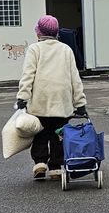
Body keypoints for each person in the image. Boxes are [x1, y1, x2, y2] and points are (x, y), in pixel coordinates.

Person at [16, 15, 87, 180]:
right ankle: (56, 167)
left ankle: (40, 163)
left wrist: (22, 97)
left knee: (40, 133)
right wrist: (80, 103)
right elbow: (74, 78)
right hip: (62, 103)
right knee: (58, 135)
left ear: (38, 33)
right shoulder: (66, 49)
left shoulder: (35, 49)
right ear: (56, 32)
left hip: (40, 101)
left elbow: (28, 75)